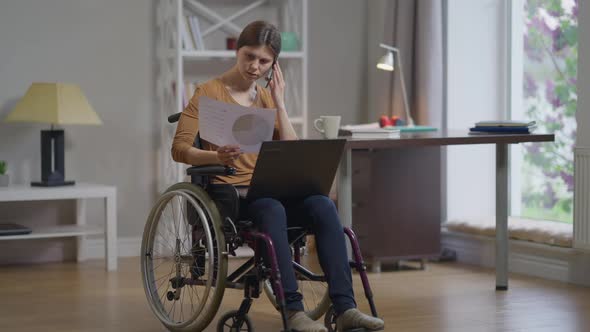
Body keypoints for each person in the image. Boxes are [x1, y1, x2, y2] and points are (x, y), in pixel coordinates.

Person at [172, 20, 384, 332]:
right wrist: (215, 156)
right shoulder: (208, 92)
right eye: (249, 56)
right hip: (232, 194)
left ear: (274, 64)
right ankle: (294, 312)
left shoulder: (267, 98)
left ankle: (346, 307)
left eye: (264, 61)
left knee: (322, 205)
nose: (254, 66)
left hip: (272, 187)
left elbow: (292, 150)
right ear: (238, 51)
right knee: (272, 208)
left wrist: (280, 103)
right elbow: (179, 149)